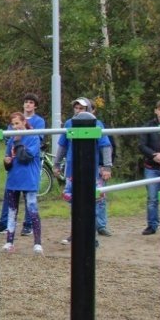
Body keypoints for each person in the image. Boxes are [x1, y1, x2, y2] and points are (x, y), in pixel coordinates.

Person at [56, 98, 113, 245]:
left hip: (90, 170)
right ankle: (75, 232)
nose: (78, 111)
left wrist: (107, 166)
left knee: (91, 202)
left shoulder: (96, 123)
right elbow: (62, 145)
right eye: (76, 108)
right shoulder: (69, 123)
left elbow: (105, 145)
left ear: (88, 110)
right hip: (72, 170)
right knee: (74, 203)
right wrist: (56, 164)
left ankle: (90, 235)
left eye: (81, 108)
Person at [0, 93, 45, 234]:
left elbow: (37, 139)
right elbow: (9, 141)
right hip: (15, 165)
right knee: (10, 194)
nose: (28, 104)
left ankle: (28, 224)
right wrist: (8, 158)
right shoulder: (14, 124)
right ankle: (4, 223)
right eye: (26, 102)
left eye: (31, 102)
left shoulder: (38, 121)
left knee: (29, 197)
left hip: (29, 162)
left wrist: (19, 142)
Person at [2, 112, 43, 254]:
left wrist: (18, 142)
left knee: (32, 210)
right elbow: (9, 159)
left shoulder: (33, 137)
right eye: (13, 124)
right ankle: (9, 241)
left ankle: (37, 243)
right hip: (14, 180)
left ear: (24, 122)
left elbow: (25, 157)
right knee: (12, 211)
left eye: (17, 123)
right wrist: (6, 162)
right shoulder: (11, 140)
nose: (15, 127)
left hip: (29, 179)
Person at [138, 99, 160, 235]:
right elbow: (142, 145)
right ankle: (152, 225)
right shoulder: (148, 126)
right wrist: (154, 155)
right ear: (155, 110)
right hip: (152, 167)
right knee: (152, 198)